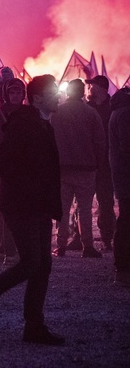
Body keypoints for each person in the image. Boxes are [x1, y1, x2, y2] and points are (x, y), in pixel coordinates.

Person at [0, 75, 65, 345]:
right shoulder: (23, 125)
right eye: (53, 91)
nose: (58, 95)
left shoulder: (43, 125)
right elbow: (4, 165)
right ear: (36, 98)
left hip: (39, 206)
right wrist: (31, 189)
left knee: (43, 265)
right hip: (24, 206)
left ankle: (34, 326)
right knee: (31, 262)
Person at [50, 79, 105, 258]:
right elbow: (99, 142)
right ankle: (87, 246)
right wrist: (99, 163)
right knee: (85, 209)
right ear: (82, 93)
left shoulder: (56, 113)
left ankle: (61, 245)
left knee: (63, 209)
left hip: (62, 168)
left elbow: (49, 140)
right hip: (87, 168)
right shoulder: (91, 113)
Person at [0, 78, 27, 264]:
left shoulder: (27, 113)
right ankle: (5, 248)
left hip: (24, 167)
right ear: (6, 94)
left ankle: (10, 247)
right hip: (7, 167)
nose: (16, 96)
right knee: (6, 208)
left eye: (19, 93)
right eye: (12, 93)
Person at [86, 75, 115, 252]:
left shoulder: (112, 108)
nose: (89, 88)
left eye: (92, 86)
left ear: (102, 88)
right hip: (88, 161)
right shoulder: (87, 107)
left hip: (106, 163)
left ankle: (107, 238)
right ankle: (81, 237)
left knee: (105, 201)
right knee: (83, 202)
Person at [109, 87, 130, 286]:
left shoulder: (120, 109)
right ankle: (123, 268)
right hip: (127, 176)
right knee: (126, 222)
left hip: (122, 176)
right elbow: (127, 147)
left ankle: (122, 268)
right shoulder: (125, 113)